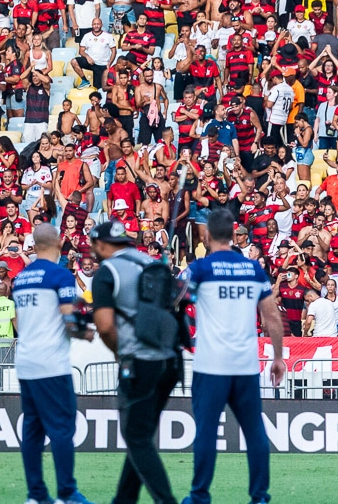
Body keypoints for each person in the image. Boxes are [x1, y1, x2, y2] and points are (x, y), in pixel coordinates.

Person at [182, 209, 281, 504]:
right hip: (245, 365)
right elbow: (272, 317)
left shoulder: (200, 268)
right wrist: (278, 357)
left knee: (206, 434)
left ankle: (199, 496)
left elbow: (173, 299)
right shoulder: (253, 269)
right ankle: (259, 496)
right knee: (255, 433)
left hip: (211, 365)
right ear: (233, 232)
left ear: (207, 235)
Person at [88, 219, 185, 504]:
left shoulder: (107, 271)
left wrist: (119, 352)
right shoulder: (151, 262)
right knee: (139, 436)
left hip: (139, 361)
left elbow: (105, 326)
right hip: (171, 359)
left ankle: (166, 501)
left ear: (102, 244)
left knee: (137, 438)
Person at [10, 223, 91, 504]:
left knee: (32, 429)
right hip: (51, 362)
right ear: (59, 244)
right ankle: (67, 493)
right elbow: (69, 319)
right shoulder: (60, 275)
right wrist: (86, 332)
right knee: (61, 428)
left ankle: (36, 495)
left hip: (26, 361)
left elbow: (18, 322)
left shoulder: (20, 278)